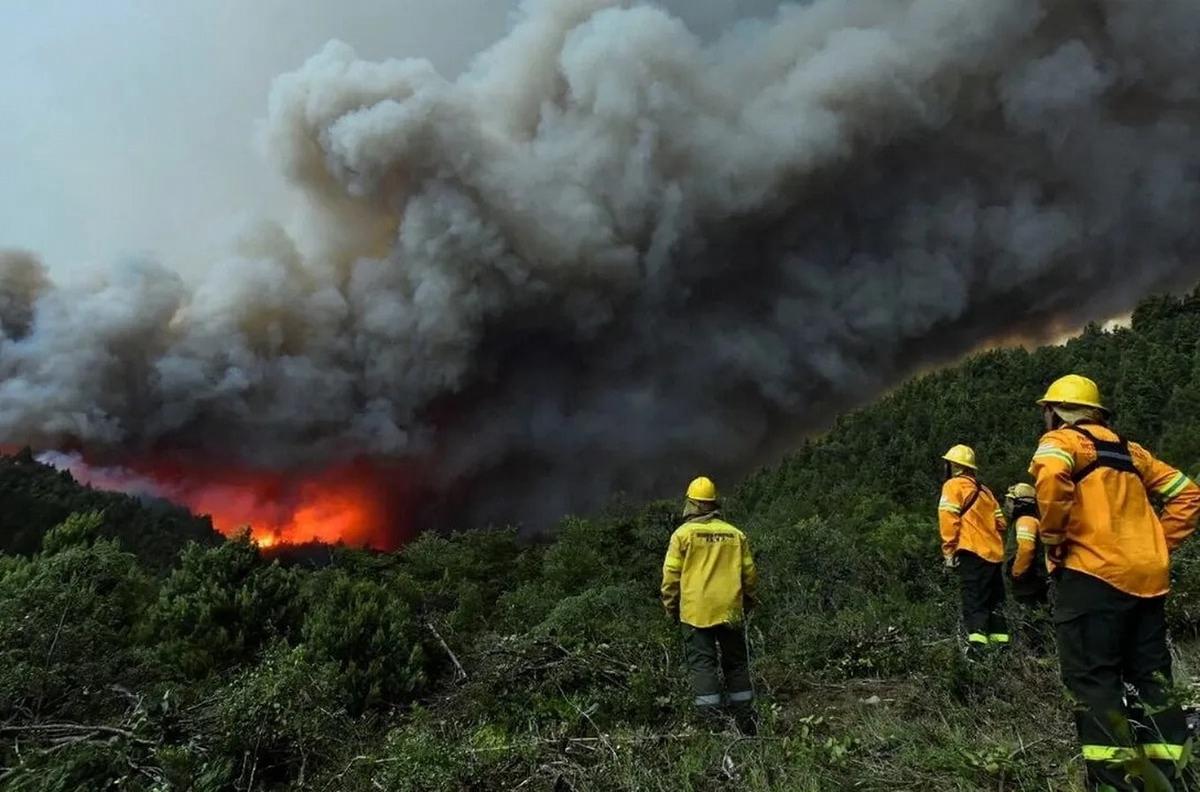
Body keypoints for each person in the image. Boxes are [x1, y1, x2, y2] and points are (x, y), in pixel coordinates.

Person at [1030, 374, 1200, 790]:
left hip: (1092, 577)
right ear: (1097, 413)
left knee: (1094, 682)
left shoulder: (1061, 442)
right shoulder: (1132, 451)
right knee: (1152, 679)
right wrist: (1157, 543)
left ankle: (1114, 783)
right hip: (1147, 580)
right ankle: (1176, 777)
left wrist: (1053, 538)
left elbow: (1050, 478)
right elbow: (1189, 495)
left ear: (1056, 412)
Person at [661, 476, 759, 734]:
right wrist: (748, 603)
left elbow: (671, 577)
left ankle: (711, 725)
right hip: (731, 611)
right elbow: (749, 574)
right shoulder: (735, 534)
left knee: (703, 667)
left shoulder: (682, 535)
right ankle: (745, 722)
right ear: (713, 503)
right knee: (737, 665)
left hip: (695, 613)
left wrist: (671, 608)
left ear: (692, 504)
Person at [938, 444, 1009, 651]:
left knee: (974, 601)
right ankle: (1001, 649)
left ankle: (977, 652)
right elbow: (1001, 523)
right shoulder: (986, 491)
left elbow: (948, 520)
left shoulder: (952, 487)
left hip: (971, 551)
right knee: (995, 603)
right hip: (994, 555)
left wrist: (949, 551)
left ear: (954, 466)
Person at [1004, 483, 1052, 651]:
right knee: (1035, 618)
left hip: (1028, 581)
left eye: (1010, 501)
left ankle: (1033, 654)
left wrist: (1017, 573)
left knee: (1028, 620)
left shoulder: (1025, 521)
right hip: (1033, 579)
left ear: (1020, 503)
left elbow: (1026, 548)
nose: (1007, 506)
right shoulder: (1031, 520)